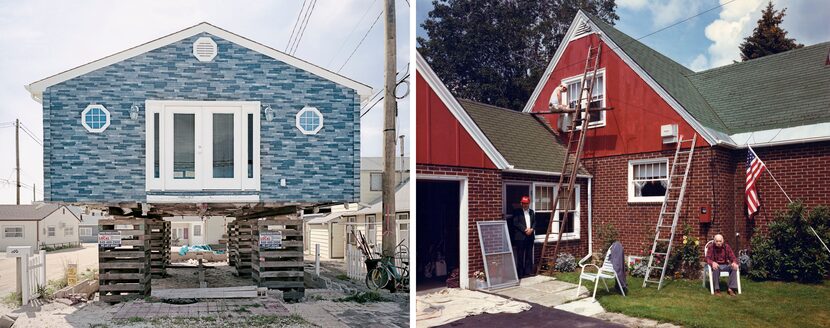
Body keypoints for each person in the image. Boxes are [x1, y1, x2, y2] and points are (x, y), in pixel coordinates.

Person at [510, 196, 536, 277]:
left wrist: (532, 229)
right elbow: (515, 223)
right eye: (524, 203)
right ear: (521, 203)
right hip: (520, 237)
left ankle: (528, 272)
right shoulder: (517, 212)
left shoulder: (532, 212)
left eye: (527, 203)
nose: (525, 205)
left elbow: (535, 222)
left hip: (530, 236)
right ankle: (520, 273)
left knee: (529, 254)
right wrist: (525, 230)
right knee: (520, 255)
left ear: (529, 203)